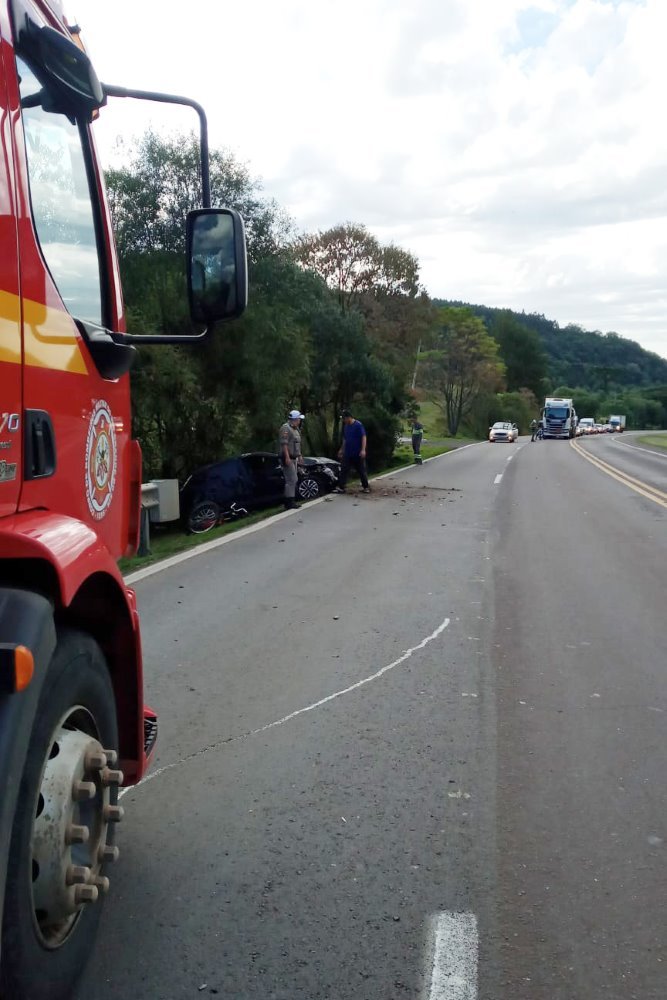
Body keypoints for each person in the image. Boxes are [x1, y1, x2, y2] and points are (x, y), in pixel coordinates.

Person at [335, 409, 370, 494]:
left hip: (357, 452)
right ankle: (341, 487)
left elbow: (363, 437)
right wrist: (341, 450)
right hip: (348, 452)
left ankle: (366, 487)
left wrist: (363, 450)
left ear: (348, 417)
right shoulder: (346, 426)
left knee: (361, 470)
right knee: (344, 469)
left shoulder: (358, 425)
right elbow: (345, 439)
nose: (343, 421)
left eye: (344, 419)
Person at [278, 409, 304, 510]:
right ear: (294, 419)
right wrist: (287, 457)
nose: (299, 421)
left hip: (294, 457)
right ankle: (289, 503)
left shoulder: (296, 429)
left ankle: (291, 501)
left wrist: (299, 455)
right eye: (298, 419)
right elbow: (284, 444)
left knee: (293, 479)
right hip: (286, 457)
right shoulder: (286, 428)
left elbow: (297, 444)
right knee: (291, 479)